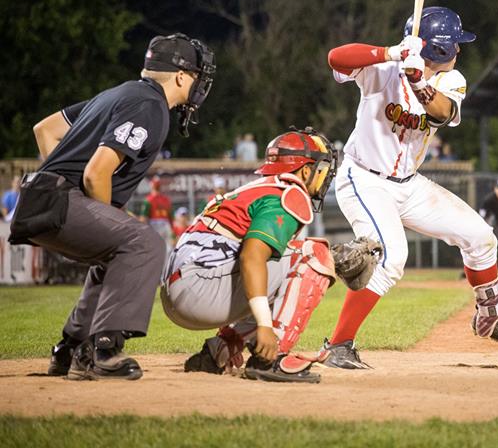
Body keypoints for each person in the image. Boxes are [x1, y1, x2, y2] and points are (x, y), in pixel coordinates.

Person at [321, 6, 498, 369]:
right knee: (389, 259)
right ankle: (339, 345)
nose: (459, 50)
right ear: (437, 48)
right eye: (454, 44)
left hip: (410, 183)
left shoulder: (451, 80)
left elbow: (443, 112)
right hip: (364, 179)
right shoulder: (383, 69)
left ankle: (490, 317)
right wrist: (390, 53)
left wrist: (419, 80)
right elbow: (336, 58)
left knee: (481, 237)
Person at [10, 33, 215, 380]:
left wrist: (64, 181)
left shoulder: (118, 93)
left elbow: (45, 129)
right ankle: (105, 349)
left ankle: (70, 349)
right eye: (197, 76)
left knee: (119, 251)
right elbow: (96, 172)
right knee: (144, 243)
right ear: (182, 76)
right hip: (57, 199)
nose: (198, 85)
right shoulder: (150, 105)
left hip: (42, 197)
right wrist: (91, 202)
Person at [161, 128, 370, 383]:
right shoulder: (287, 194)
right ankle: (274, 358)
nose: (324, 176)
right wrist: (264, 326)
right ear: (305, 170)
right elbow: (251, 258)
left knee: (282, 266)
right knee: (314, 254)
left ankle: (219, 350)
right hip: (198, 289)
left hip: (181, 289)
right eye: (321, 168)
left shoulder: (257, 188)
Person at [139, 176, 174, 255]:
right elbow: (171, 218)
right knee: (168, 249)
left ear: (152, 186)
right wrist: (172, 231)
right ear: (160, 187)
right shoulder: (166, 199)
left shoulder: (149, 199)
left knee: (155, 249)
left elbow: (143, 218)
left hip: (154, 224)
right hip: (165, 224)